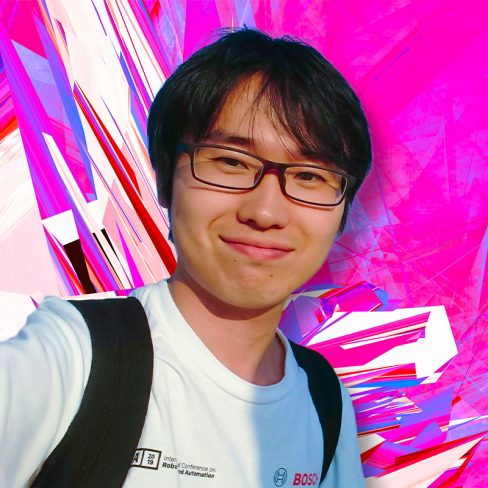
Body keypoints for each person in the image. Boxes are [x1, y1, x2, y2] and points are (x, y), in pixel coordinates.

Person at [1, 28, 371, 487]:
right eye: (231, 162)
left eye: (310, 176)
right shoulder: (76, 355)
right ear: (165, 181)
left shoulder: (324, 399)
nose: (265, 212)